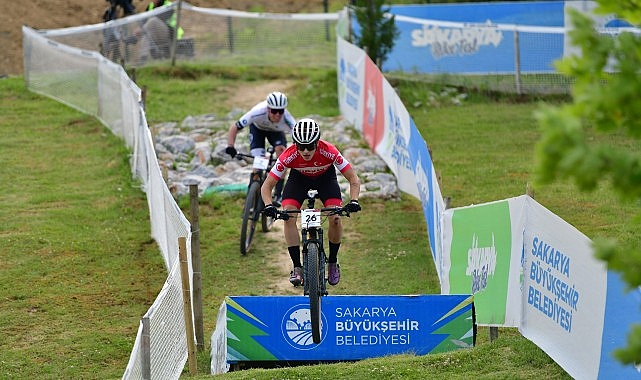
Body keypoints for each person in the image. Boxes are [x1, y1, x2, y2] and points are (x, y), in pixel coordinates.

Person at [261, 118, 362, 286]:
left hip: (326, 180)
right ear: (295, 144)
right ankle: (297, 267)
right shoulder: (289, 154)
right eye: (301, 147)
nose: (306, 151)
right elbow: (267, 186)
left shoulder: (329, 151)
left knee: (335, 218)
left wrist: (354, 200)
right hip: (298, 180)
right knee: (288, 216)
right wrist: (268, 205)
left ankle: (332, 262)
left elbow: (353, 178)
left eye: (310, 146)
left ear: (317, 143)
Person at [226, 91, 295, 205]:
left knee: (282, 154)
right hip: (258, 130)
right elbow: (235, 127)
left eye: (281, 111)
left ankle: (278, 194)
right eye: (274, 111)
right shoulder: (256, 112)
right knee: (258, 164)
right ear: (268, 109)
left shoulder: (287, 117)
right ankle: (251, 199)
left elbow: (298, 136)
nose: (277, 114)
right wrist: (230, 146)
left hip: (276, 132)